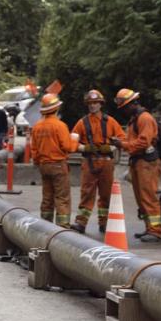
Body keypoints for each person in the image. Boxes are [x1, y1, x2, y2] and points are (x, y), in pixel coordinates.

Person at [110, 88, 161, 242]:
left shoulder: (144, 118)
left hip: (147, 162)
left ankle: (156, 230)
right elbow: (134, 141)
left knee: (149, 196)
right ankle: (149, 228)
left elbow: (143, 142)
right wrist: (121, 142)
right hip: (139, 162)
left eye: (125, 107)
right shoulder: (135, 119)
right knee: (141, 197)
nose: (124, 111)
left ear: (133, 104)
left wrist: (123, 144)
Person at [70, 90, 125, 234]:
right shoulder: (82, 123)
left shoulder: (110, 121)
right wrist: (84, 147)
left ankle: (104, 223)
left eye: (95, 103)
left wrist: (111, 147)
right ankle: (81, 222)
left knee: (106, 194)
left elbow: (122, 139)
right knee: (86, 193)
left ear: (101, 104)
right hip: (89, 161)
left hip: (106, 162)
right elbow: (72, 142)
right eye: (90, 103)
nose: (92, 105)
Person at [31, 93, 79, 228]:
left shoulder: (37, 127)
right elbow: (67, 147)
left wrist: (38, 162)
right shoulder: (60, 126)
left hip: (44, 166)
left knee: (47, 197)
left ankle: (45, 225)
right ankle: (62, 227)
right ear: (56, 108)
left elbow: (34, 149)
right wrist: (74, 140)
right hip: (58, 165)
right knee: (62, 197)